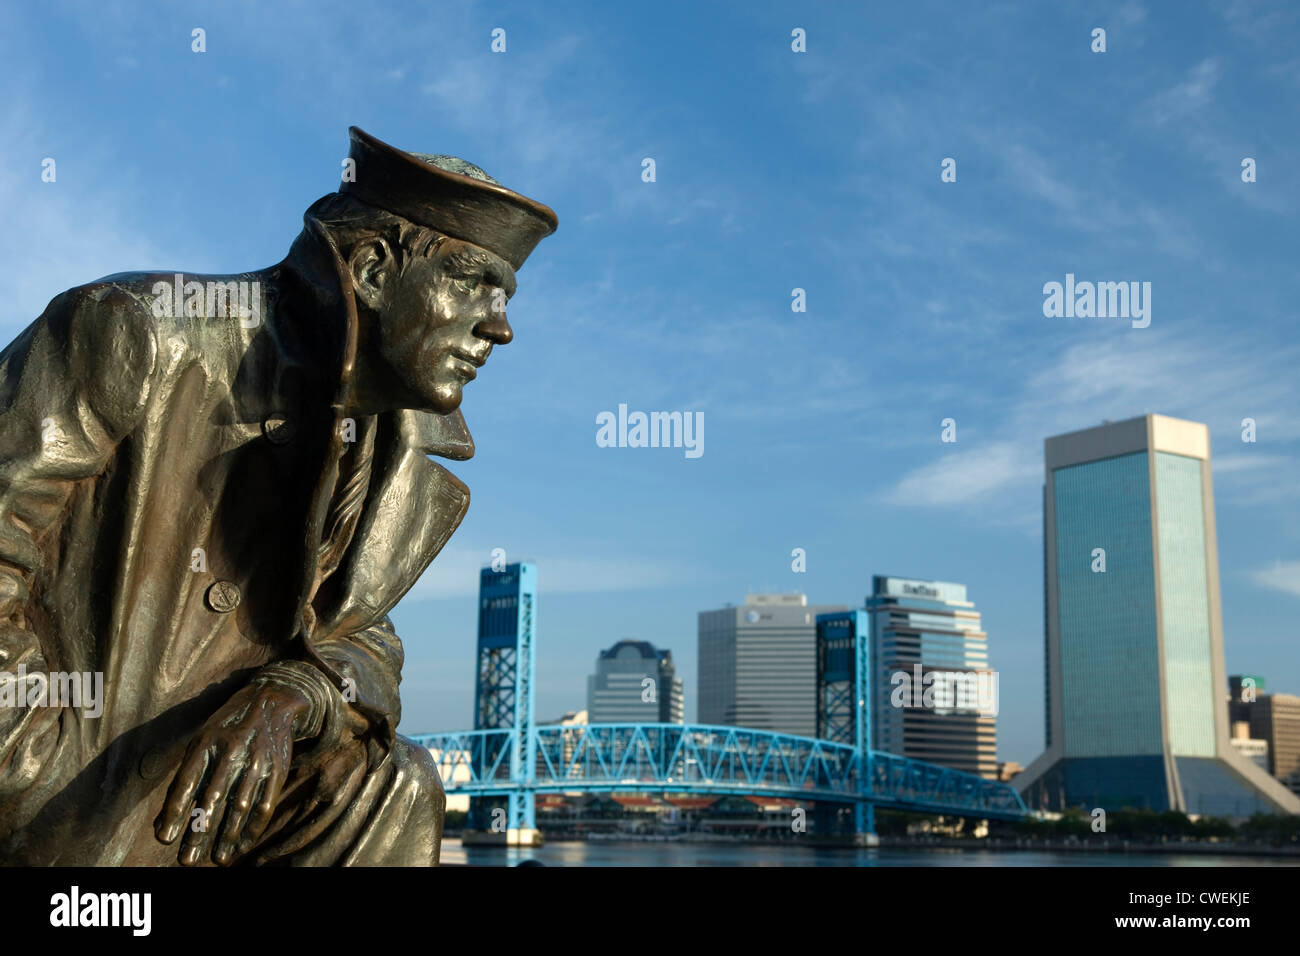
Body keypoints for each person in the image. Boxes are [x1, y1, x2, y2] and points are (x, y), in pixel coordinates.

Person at [0, 127, 556, 865]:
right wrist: (26, 761)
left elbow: (366, 636)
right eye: (471, 280)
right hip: (65, 790)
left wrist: (299, 691)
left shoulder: (402, 459)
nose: (501, 326)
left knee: (393, 786)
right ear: (372, 268)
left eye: (504, 294)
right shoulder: (137, 330)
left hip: (215, 801)